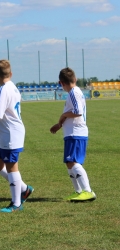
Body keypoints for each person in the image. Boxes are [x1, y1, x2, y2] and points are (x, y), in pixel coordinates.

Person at [0, 60, 33, 213]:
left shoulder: (4, 89)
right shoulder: (13, 87)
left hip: (11, 133)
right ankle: (24, 188)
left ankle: (16, 203)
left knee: (11, 167)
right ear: (11, 73)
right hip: (3, 134)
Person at [50, 67, 96, 202]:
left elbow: (77, 111)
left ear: (61, 83)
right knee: (69, 163)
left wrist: (63, 114)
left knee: (73, 162)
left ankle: (88, 191)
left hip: (76, 133)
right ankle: (78, 191)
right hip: (71, 133)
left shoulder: (73, 93)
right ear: (75, 79)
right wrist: (59, 124)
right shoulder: (74, 92)